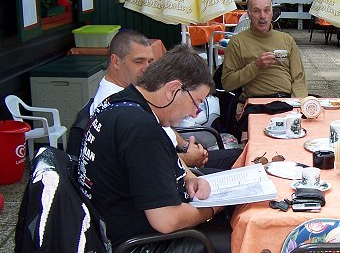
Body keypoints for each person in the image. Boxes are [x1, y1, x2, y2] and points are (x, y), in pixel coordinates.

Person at [77, 45, 232, 253]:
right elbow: (167, 220)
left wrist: (187, 175)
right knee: (249, 242)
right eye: (197, 102)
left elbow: (153, 163)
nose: (196, 112)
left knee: (226, 207)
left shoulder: (121, 104)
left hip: (112, 233)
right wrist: (216, 206)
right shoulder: (141, 129)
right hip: (140, 250)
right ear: (173, 89)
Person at [91, 29, 241, 171]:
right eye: (139, 61)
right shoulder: (116, 105)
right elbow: (147, 162)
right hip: (171, 166)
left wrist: (185, 146)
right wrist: (188, 159)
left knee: (242, 157)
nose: (146, 68)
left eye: (150, 61)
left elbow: (164, 127)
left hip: (175, 158)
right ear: (116, 61)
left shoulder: (134, 91)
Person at [221, 0, 308, 99]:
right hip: (258, 101)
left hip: (287, 100)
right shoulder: (237, 42)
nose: (262, 16)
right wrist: (256, 66)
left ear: (272, 13)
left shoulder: (286, 39)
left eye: (267, 10)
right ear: (248, 14)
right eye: (256, 11)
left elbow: (299, 77)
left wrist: (298, 102)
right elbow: (227, 84)